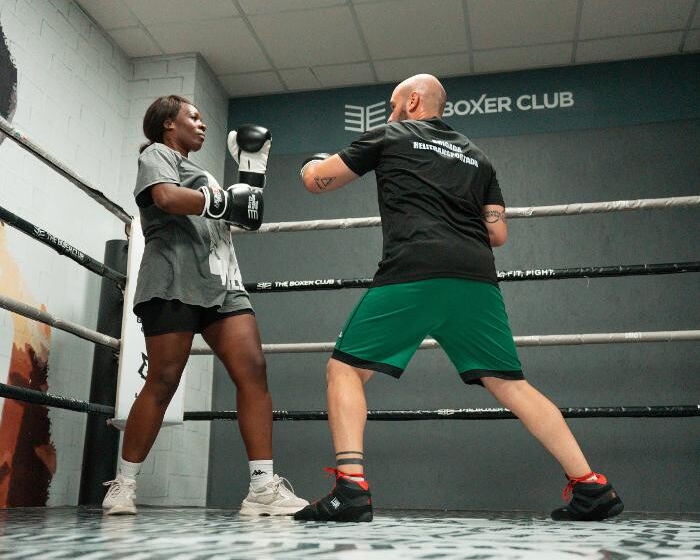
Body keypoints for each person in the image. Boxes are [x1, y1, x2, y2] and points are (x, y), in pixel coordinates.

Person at [293, 74, 623, 524]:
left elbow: (318, 182)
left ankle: (350, 487)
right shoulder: (479, 158)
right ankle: (590, 485)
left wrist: (310, 164)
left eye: (393, 103)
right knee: (511, 383)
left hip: (415, 268)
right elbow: (498, 233)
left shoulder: (392, 134)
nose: (390, 112)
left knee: (344, 369)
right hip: (476, 278)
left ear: (412, 101)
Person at [102, 95, 307, 517]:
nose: (202, 123)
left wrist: (251, 173)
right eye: (192, 117)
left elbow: (246, 217)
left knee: (253, 370)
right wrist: (226, 200)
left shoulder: (206, 174)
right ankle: (124, 484)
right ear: (168, 124)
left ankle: (262, 488)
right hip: (173, 278)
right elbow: (165, 198)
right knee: (163, 379)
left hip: (223, 282)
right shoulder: (157, 155)